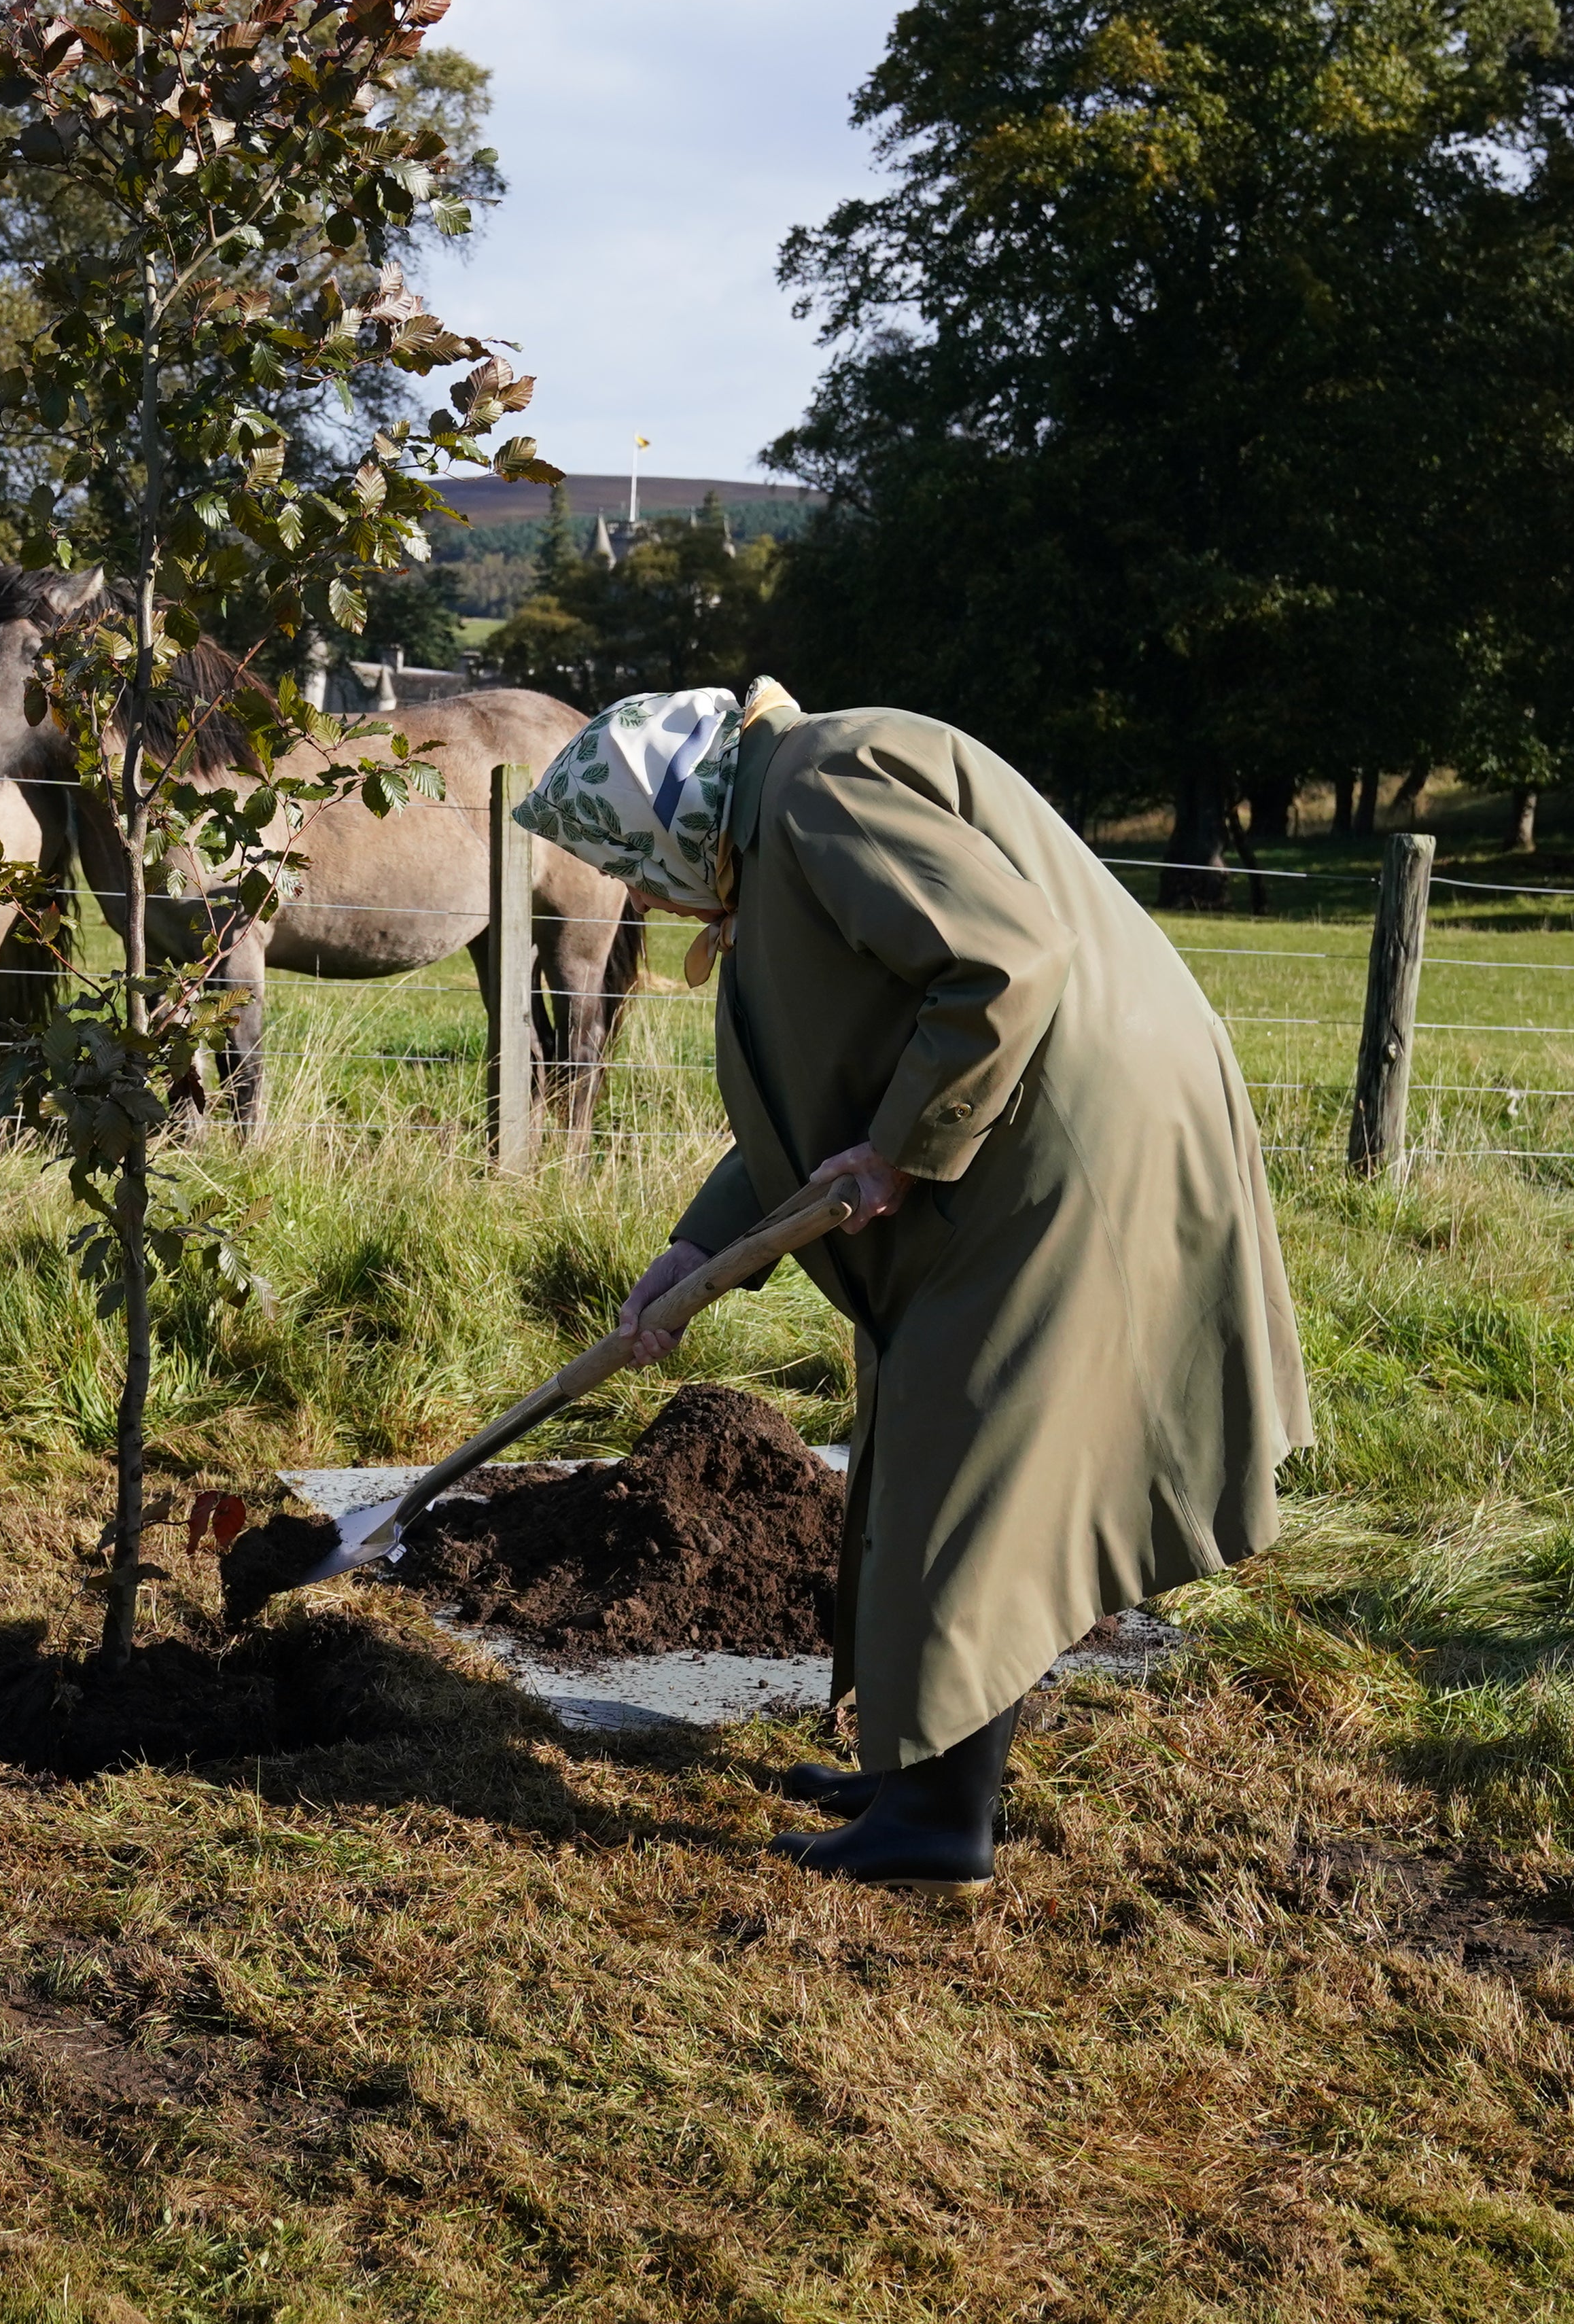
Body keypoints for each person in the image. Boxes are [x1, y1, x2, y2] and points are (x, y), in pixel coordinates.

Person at [516, 684, 1310, 1893]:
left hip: (1072, 1140)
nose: (639, 900)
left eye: (633, 867)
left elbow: (1006, 963)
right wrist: (694, 1252)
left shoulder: (821, 788)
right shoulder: (778, 831)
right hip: (1015, 1139)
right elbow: (816, 1103)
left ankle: (939, 1824)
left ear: (673, 822)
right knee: (924, 1419)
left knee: (969, 1444)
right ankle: (910, 1767)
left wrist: (899, 1149)